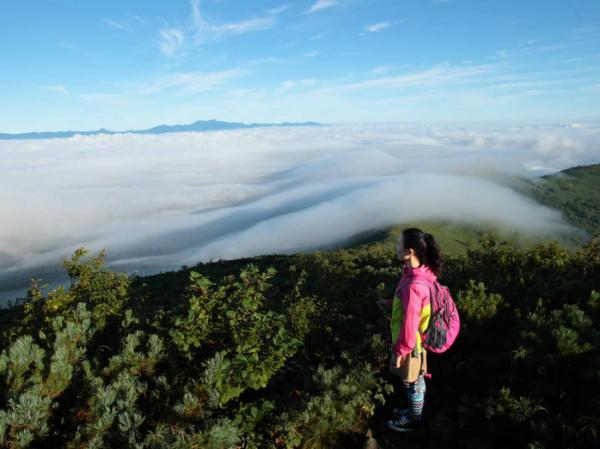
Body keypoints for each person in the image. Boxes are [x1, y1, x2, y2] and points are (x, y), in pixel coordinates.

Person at [376, 227, 443, 432]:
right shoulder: (420, 272)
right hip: (415, 341)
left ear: (410, 252)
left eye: (399, 244)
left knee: (412, 381)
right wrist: (391, 303)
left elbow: (410, 323)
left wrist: (400, 351)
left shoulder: (413, 283)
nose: (395, 247)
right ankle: (414, 412)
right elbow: (414, 307)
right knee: (415, 380)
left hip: (411, 343)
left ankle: (414, 419)